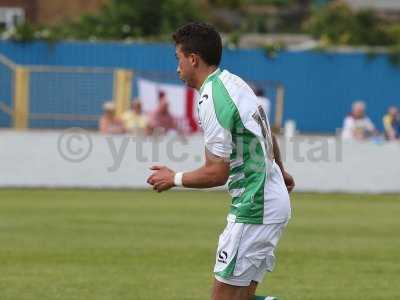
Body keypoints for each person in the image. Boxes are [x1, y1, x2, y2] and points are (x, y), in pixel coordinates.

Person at [147, 23, 294, 300]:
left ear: (193, 59)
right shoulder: (234, 82)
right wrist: (280, 171)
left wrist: (173, 178)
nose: (177, 67)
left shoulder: (212, 99)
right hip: (267, 200)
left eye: (178, 58)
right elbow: (265, 130)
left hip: (255, 207)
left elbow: (216, 173)